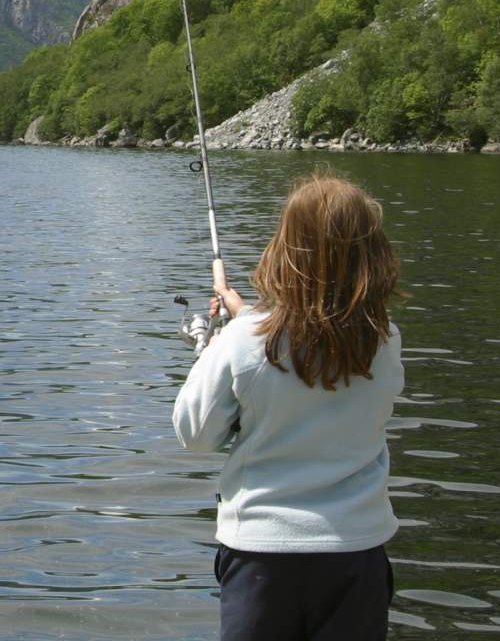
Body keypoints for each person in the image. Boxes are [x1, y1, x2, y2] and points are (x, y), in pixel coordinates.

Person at [172, 174, 404, 641]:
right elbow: (315, 351)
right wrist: (249, 322)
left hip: (263, 557)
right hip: (357, 554)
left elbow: (195, 434)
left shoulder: (246, 339)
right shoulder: (385, 340)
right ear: (371, 252)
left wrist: (221, 341)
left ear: (286, 248)